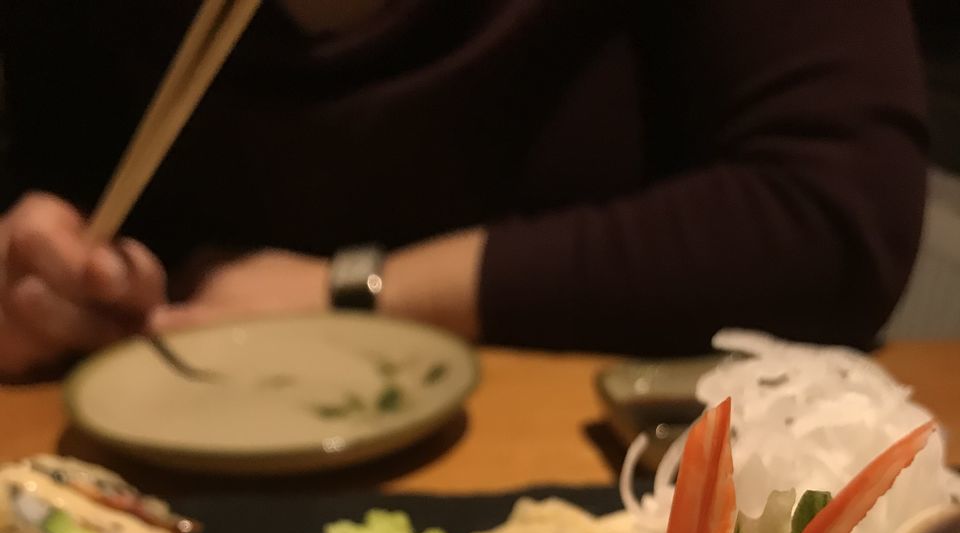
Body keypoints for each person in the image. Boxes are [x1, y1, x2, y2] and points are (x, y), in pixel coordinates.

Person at [0, 0, 927, 380]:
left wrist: (348, 291)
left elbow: (831, 218)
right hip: (162, 459)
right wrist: (41, 282)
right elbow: (50, 206)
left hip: (614, 466)